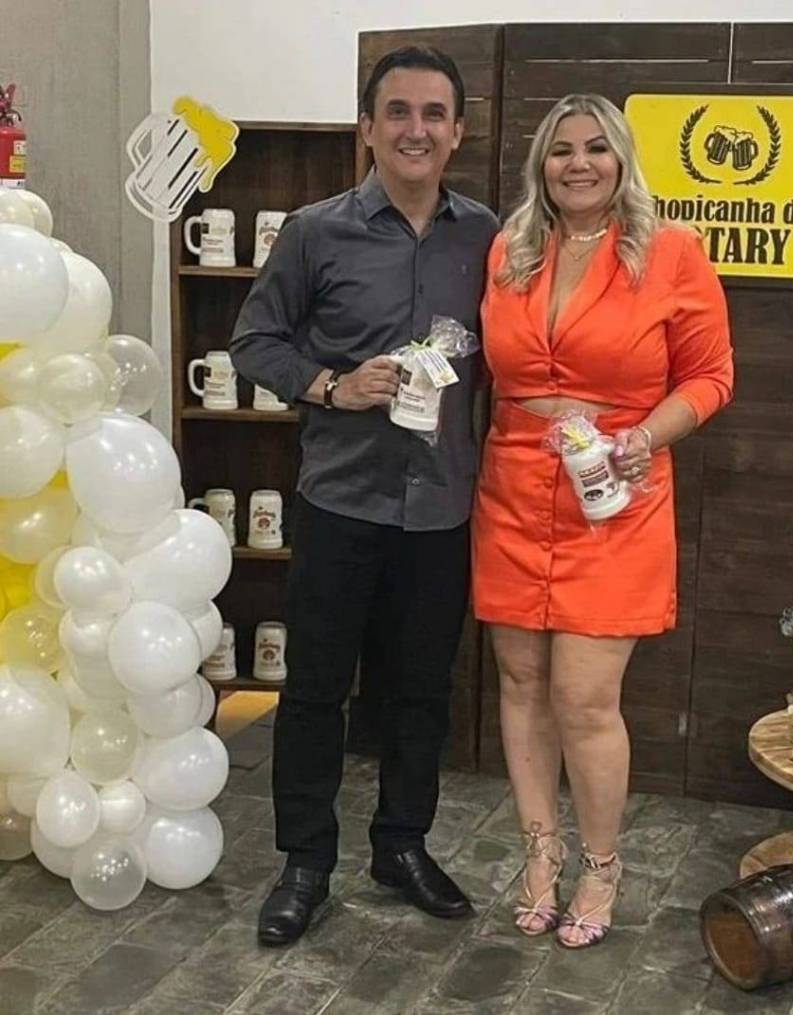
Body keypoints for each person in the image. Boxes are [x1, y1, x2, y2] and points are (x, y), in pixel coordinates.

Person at [230, 45, 499, 946]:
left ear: (457, 133)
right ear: (367, 130)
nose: (416, 129)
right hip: (342, 500)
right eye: (398, 112)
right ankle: (305, 861)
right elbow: (255, 342)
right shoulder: (315, 231)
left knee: (422, 690)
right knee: (315, 690)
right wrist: (330, 386)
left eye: (434, 114)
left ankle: (402, 844)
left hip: (441, 507)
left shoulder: (488, 237)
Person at [472, 94, 733, 949]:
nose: (577, 163)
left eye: (595, 148)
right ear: (540, 165)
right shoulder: (509, 249)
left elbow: (711, 376)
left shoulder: (671, 252)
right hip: (514, 487)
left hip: (614, 495)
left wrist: (642, 438)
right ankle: (538, 854)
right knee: (520, 684)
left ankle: (601, 864)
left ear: (622, 160)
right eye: (561, 150)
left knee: (584, 699)